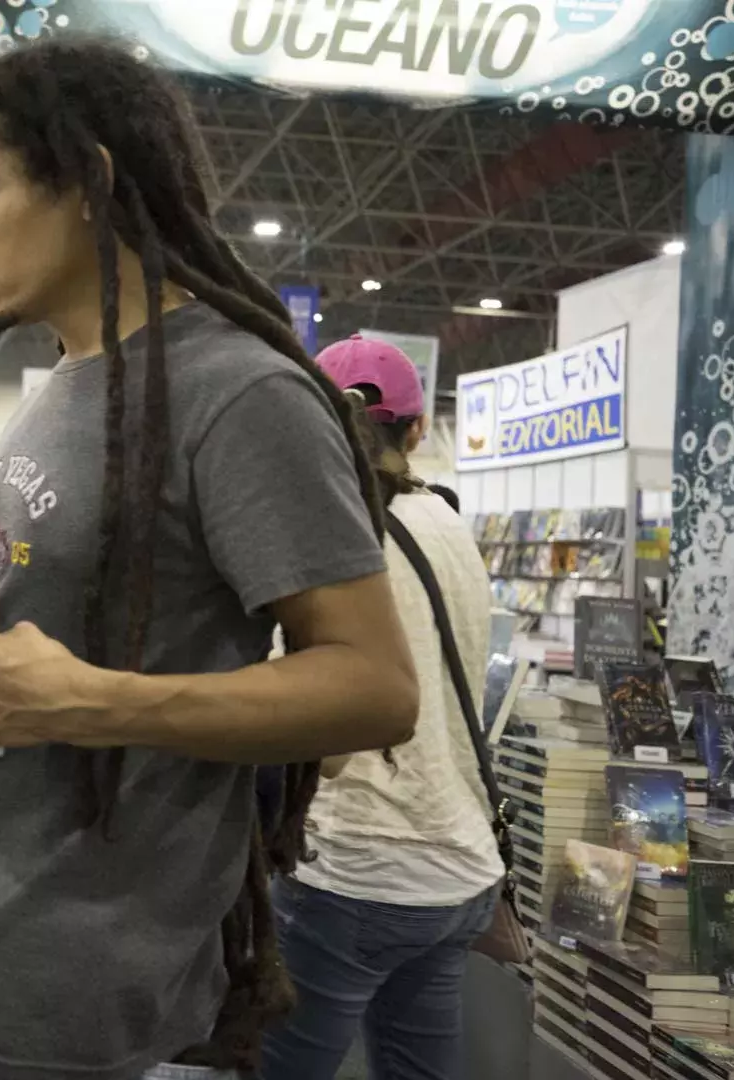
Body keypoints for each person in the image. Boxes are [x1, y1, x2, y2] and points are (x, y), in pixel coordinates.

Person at [0, 38, 422, 1080]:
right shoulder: (67, 382)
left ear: (89, 184)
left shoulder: (239, 396)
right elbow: (51, 618)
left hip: (106, 1017)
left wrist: (94, 704)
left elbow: (377, 690)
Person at [257, 336, 504, 1080]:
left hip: (356, 869)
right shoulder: (454, 527)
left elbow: (314, 731)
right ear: (419, 430)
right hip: (458, 870)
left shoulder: (327, 532)